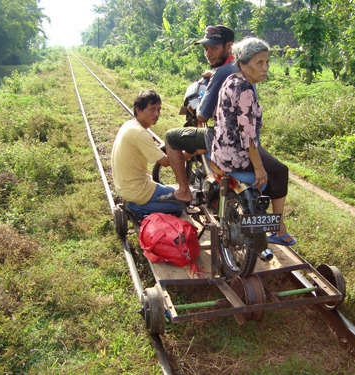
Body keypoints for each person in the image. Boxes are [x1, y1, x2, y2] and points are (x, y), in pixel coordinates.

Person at [210, 37, 296, 246]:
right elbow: (248, 138)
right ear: (243, 64)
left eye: (267, 62)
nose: (265, 67)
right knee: (281, 171)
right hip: (237, 155)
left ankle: (269, 221)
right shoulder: (245, 90)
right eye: (260, 63)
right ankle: (278, 228)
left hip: (221, 150)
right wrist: (259, 168)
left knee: (272, 165)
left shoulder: (231, 80)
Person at [158, 25, 237, 205]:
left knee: (171, 137)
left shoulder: (221, 72)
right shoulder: (243, 67)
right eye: (206, 49)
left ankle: (184, 191)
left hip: (224, 137)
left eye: (214, 48)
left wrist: (213, 78)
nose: (209, 53)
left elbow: (202, 116)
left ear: (229, 46)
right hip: (246, 137)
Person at [111, 90, 184, 220]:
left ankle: (132, 202)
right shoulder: (140, 133)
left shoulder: (130, 125)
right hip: (137, 191)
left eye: (159, 109)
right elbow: (166, 162)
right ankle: (135, 208)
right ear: (138, 110)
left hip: (129, 187)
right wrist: (192, 152)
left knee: (175, 194)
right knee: (180, 206)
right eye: (152, 109)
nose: (157, 114)